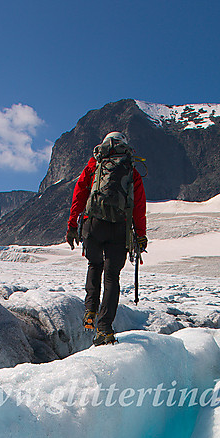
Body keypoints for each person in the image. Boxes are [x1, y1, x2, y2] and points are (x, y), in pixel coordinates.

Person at [66, 131, 147, 345]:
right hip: (118, 229)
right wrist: (141, 235)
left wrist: (72, 224)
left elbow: (80, 193)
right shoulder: (131, 171)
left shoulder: (95, 165)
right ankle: (104, 329)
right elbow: (138, 207)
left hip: (94, 225)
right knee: (112, 277)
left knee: (94, 264)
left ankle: (90, 311)